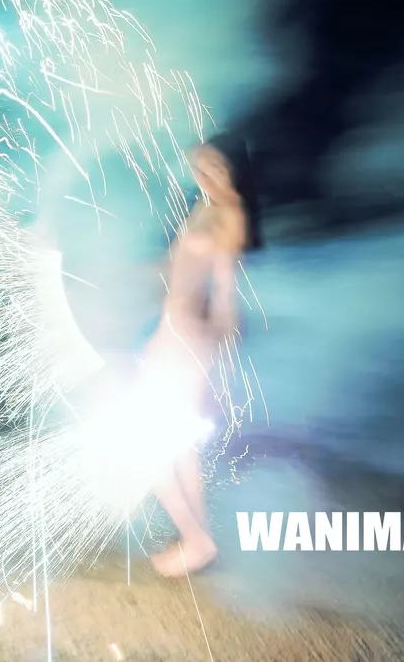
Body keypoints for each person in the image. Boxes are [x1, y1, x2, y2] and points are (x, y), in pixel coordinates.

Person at [143, 134, 260, 578]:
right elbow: (176, 270)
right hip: (171, 331)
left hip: (189, 338)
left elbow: (226, 286)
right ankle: (197, 540)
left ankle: (196, 540)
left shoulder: (230, 214)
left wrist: (222, 348)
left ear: (233, 171)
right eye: (201, 166)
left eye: (216, 168)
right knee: (179, 445)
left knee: (151, 446)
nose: (206, 175)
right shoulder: (204, 207)